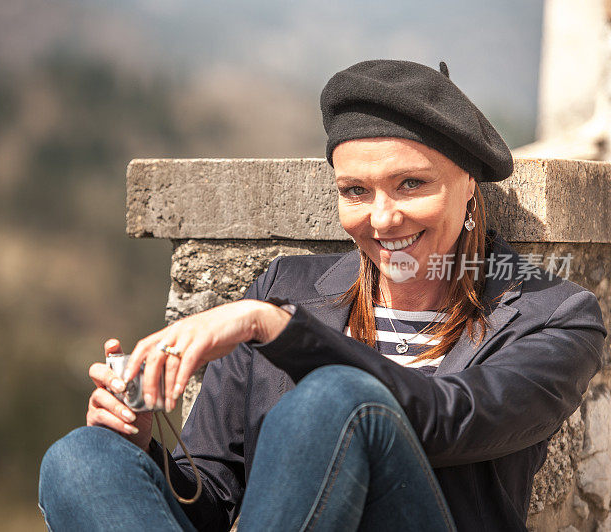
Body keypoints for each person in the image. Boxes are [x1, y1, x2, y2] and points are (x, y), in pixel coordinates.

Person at [38, 60, 607, 531]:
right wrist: (145, 447)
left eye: (412, 184)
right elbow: (213, 499)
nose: (382, 219)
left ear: (468, 185)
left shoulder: (552, 315)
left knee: (340, 397)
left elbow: (451, 418)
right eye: (355, 191)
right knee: (81, 459)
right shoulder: (287, 288)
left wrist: (276, 329)